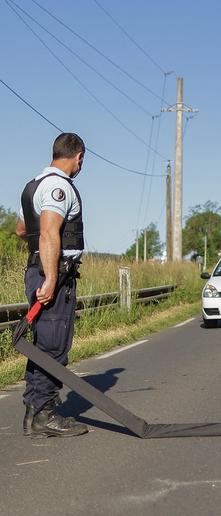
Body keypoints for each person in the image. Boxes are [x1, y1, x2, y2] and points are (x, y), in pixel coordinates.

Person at [15, 133, 89, 438]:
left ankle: (34, 414)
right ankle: (45, 414)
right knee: (54, 346)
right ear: (78, 157)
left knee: (43, 344)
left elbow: (22, 229)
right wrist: (52, 276)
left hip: (38, 269)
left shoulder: (33, 184)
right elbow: (48, 233)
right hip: (52, 274)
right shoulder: (60, 186)